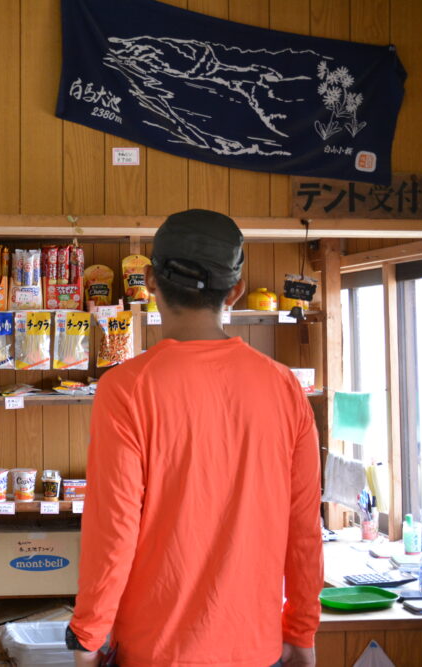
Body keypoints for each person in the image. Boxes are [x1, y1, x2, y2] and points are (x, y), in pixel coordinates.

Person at [67, 209, 323, 667]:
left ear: (148, 280)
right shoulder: (285, 387)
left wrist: (88, 635)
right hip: (255, 649)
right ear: (237, 289)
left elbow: (113, 530)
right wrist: (302, 632)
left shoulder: (126, 388)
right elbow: (303, 528)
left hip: (157, 651)